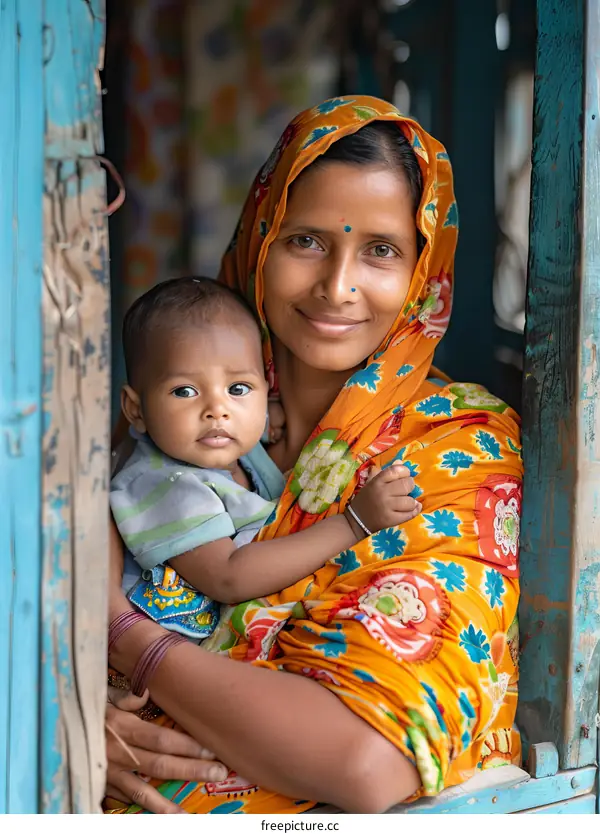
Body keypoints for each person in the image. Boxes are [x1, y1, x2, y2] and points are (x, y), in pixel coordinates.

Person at [105, 95, 522, 815]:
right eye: (307, 241)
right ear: (262, 238)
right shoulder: (180, 423)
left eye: (381, 251)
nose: (337, 286)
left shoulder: (458, 452)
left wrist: (121, 636)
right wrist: (74, 717)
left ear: (424, 272)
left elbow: (366, 761)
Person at [111, 275, 420, 639]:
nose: (217, 410)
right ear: (136, 410)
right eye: (185, 391)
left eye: (238, 388)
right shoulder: (161, 484)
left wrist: (268, 415)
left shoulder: (233, 447)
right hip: (153, 670)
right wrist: (353, 524)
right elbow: (230, 576)